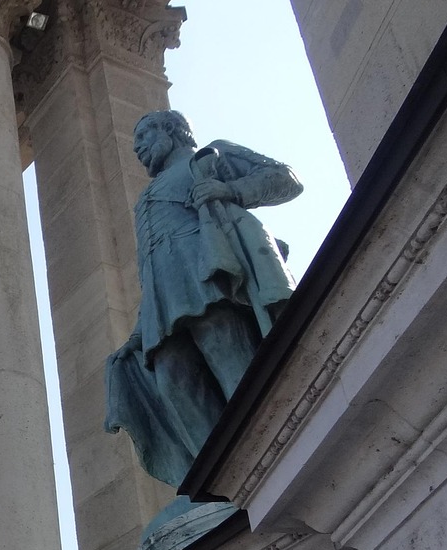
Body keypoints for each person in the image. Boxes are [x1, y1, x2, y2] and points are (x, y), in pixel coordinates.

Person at [105, 110, 302, 487]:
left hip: (210, 276)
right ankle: (218, 485)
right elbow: (150, 265)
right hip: (163, 295)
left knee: (227, 355)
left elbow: (285, 178)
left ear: (172, 129)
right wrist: (137, 330)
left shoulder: (209, 157)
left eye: (144, 136)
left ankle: (268, 455)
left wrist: (231, 190)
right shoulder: (145, 197)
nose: (138, 148)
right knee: (171, 379)